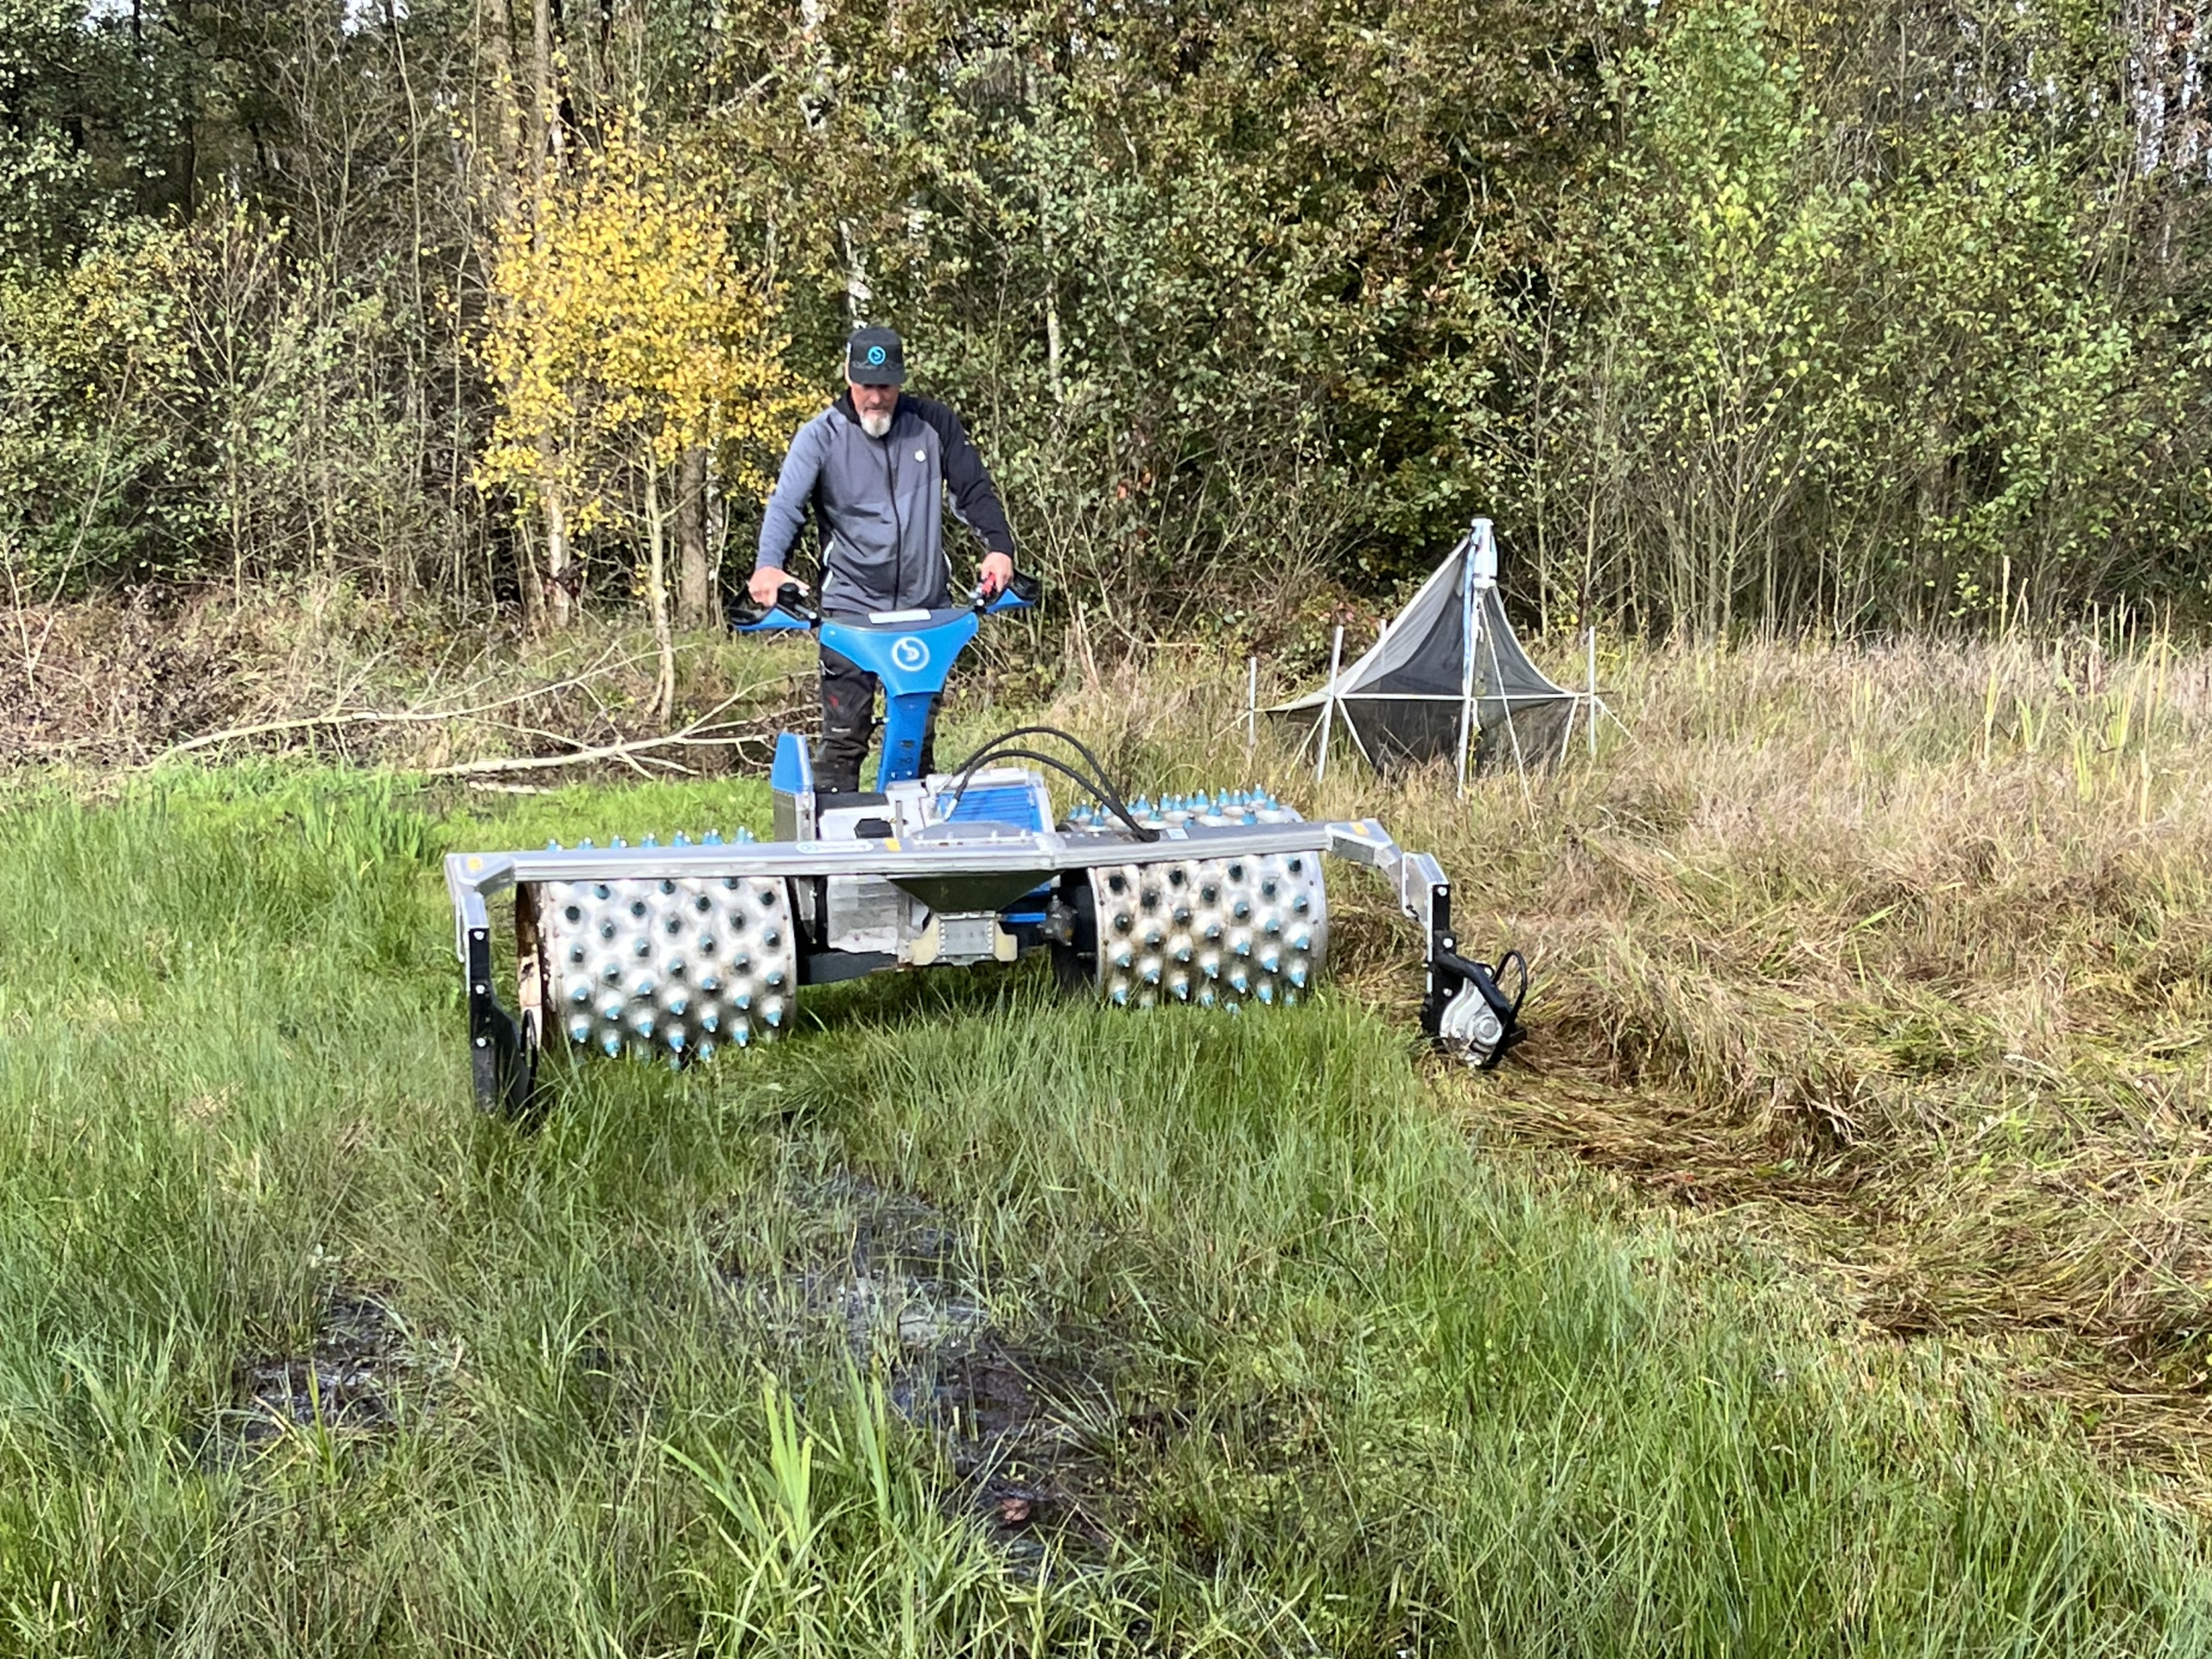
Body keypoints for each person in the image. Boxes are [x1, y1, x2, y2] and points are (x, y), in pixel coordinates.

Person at [746, 326, 1016, 793]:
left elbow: (973, 489)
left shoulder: (934, 425)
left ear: (900, 381)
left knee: (916, 740)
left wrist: (998, 548)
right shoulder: (821, 437)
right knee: (845, 738)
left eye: (885, 386)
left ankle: (916, 854)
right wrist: (769, 564)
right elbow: (786, 506)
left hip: (924, 610)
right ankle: (831, 856)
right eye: (866, 385)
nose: (876, 398)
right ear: (850, 378)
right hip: (850, 612)